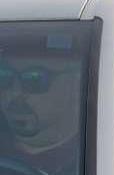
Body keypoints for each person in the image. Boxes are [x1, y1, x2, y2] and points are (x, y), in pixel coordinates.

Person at [0, 43, 85, 175]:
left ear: (75, 84)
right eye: (4, 77)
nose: (14, 92)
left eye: (35, 79)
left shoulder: (101, 153)